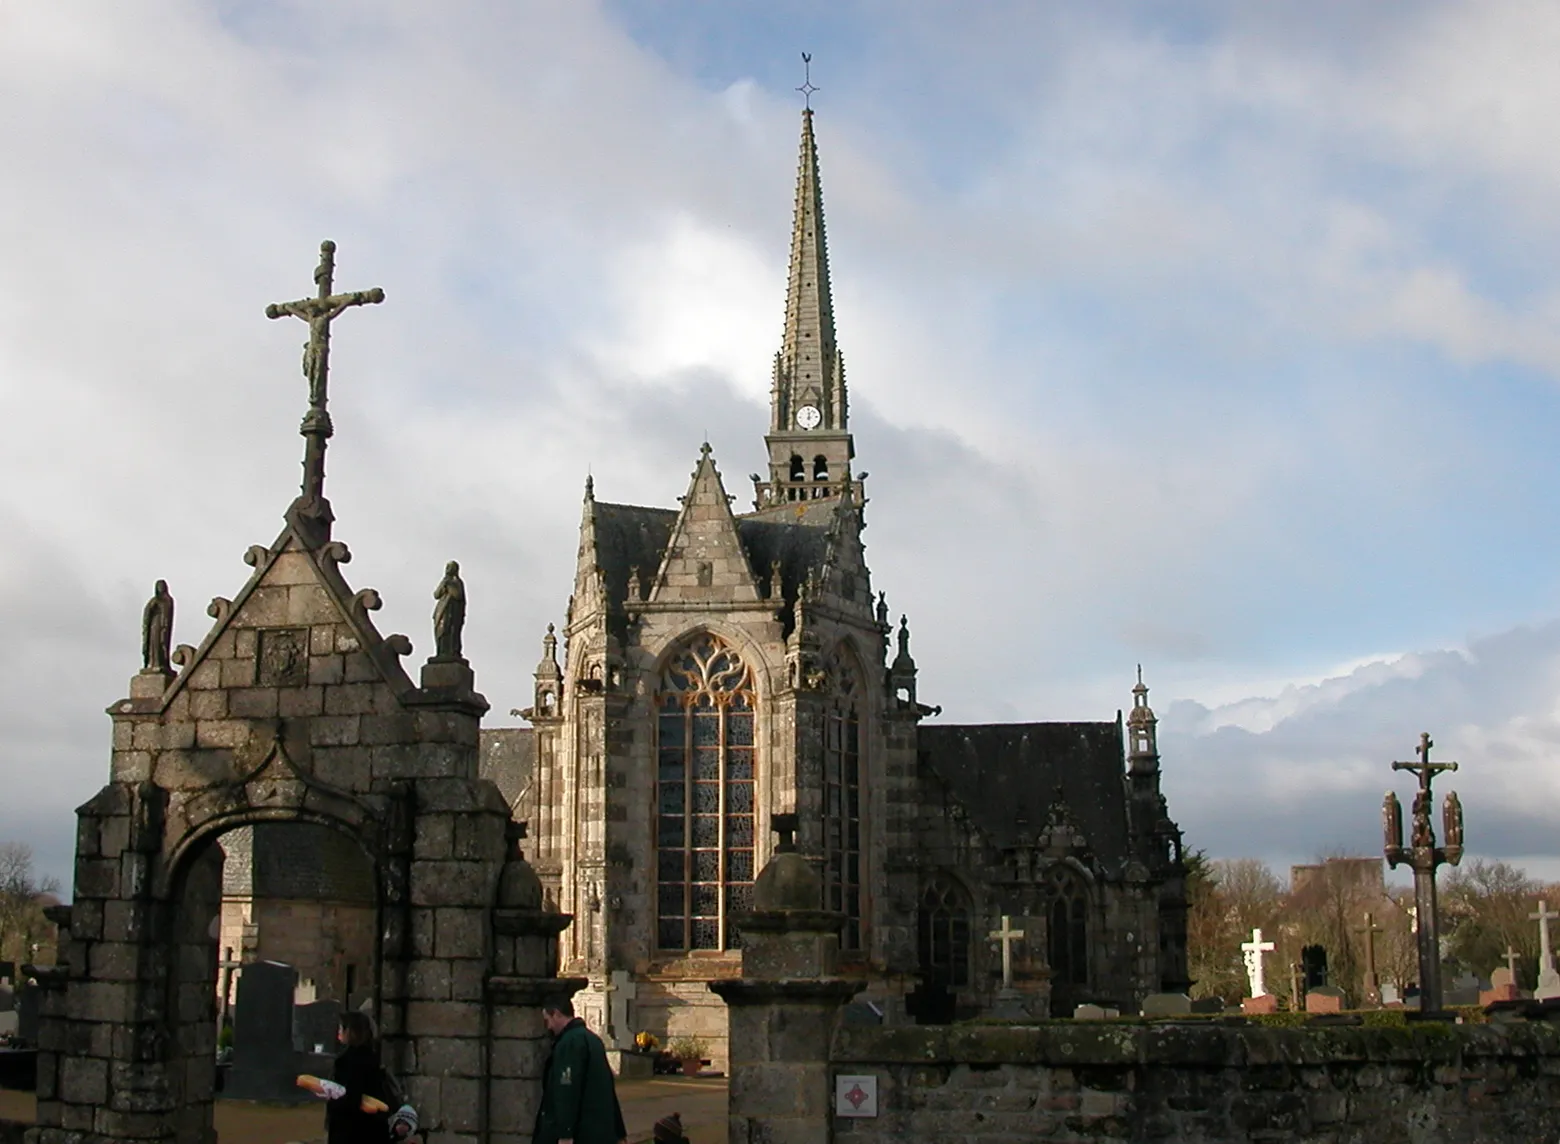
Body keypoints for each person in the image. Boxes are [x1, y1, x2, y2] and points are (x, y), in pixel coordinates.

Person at [534, 998, 627, 1144]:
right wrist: (619, 1131)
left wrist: (565, 1133)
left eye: (547, 1020)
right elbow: (608, 1087)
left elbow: (566, 1089)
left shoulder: (569, 1043)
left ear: (557, 1014)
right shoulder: (593, 1040)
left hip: (582, 1134)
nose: (548, 1027)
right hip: (600, 1132)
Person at [328, 1011, 390, 1144]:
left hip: (351, 1131)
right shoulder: (373, 1058)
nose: (338, 1032)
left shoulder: (346, 1062)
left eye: (341, 1028)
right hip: (374, 1129)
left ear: (350, 1031)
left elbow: (347, 1100)